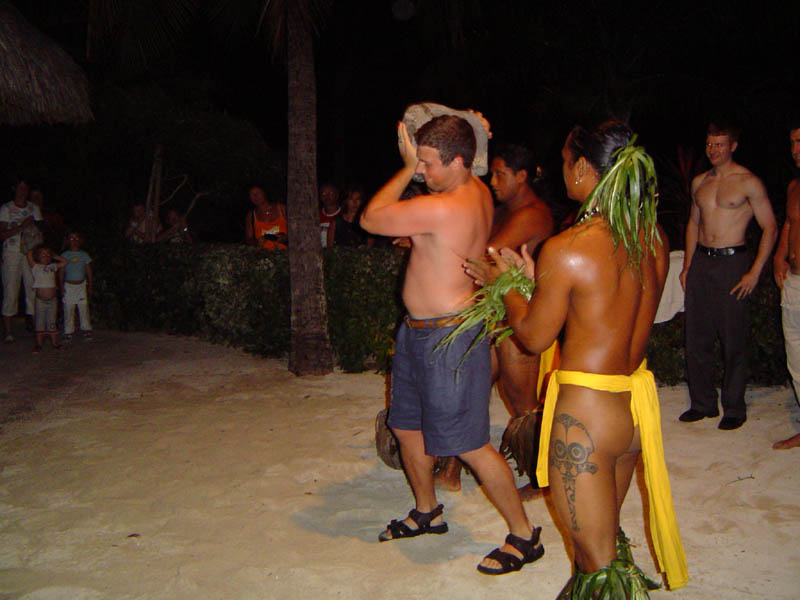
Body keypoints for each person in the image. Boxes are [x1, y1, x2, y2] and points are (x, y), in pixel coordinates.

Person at [468, 120, 687, 595]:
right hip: (632, 410)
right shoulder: (652, 238)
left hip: (586, 417)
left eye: (566, 161)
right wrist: (534, 285)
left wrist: (501, 283)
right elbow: (599, 313)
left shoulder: (567, 248)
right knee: (607, 542)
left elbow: (532, 337)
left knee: (598, 565)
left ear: (585, 169)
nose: (562, 169)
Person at [360, 114, 543, 576]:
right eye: (417, 163)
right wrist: (472, 123)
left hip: (449, 338)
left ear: (459, 162)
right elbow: (458, 144)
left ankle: (525, 536)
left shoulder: (446, 204)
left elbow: (370, 218)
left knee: (470, 445)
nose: (421, 171)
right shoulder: (474, 189)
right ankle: (427, 511)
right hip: (419, 332)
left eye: (426, 163)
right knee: (406, 427)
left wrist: (402, 169)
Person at [436, 143, 554, 495]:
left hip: (517, 316)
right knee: (470, 389)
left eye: (500, 174)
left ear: (521, 176)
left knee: (522, 403)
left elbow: (482, 253)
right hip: (492, 314)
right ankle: (452, 468)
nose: (493, 181)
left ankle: (541, 478)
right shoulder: (505, 210)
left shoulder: (533, 213)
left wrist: (429, 242)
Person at [678, 123, 777, 430]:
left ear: (733, 146)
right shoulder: (699, 183)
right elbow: (694, 224)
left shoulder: (748, 182)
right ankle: (702, 403)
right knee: (697, 337)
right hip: (703, 263)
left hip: (733, 262)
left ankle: (734, 407)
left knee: (732, 338)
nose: (713, 150)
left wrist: (754, 271)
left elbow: (770, 227)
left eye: (719, 144)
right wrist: (687, 266)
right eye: (709, 144)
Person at [772, 122, 800, 450]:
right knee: (796, 356)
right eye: (792, 142)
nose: (795, 149)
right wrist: (780, 255)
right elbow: (790, 222)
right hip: (793, 282)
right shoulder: (794, 185)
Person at [1, 179, 43, 342]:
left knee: (33, 286)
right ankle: (8, 331)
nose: (23, 191)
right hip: (11, 252)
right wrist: (22, 226)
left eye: (25, 188)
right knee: (11, 289)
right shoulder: (6, 208)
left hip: (30, 252)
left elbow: (41, 232)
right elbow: (2, 234)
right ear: (14, 189)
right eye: (20, 187)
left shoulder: (34, 208)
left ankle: (33, 323)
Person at [26, 245, 67, 352]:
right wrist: (35, 246)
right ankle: (39, 344)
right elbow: (29, 254)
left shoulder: (53, 266)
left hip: (52, 300)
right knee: (39, 322)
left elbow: (65, 262)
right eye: (43, 254)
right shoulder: (35, 267)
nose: (46, 256)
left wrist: (55, 256)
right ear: (38, 256)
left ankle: (55, 343)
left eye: (48, 254)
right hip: (40, 301)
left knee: (52, 321)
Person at [60, 231, 94, 341]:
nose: (74, 241)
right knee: (69, 308)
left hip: (81, 286)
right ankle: (68, 331)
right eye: (71, 238)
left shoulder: (84, 255)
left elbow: (89, 271)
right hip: (69, 285)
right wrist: (61, 286)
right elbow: (61, 271)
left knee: (83, 307)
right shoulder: (65, 255)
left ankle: (86, 329)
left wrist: (90, 285)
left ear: (80, 240)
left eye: (76, 238)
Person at [244, 186, 287, 251]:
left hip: (285, 253)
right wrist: (256, 242)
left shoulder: (282, 209)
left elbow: (297, 230)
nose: (255, 196)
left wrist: (285, 238)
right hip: (263, 255)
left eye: (258, 193)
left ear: (264, 193)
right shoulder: (251, 215)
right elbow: (248, 239)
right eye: (252, 194)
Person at [319, 183, 341, 248]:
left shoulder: (343, 215)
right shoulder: (315, 215)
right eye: (323, 194)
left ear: (337, 195)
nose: (327, 196)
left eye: (330, 193)